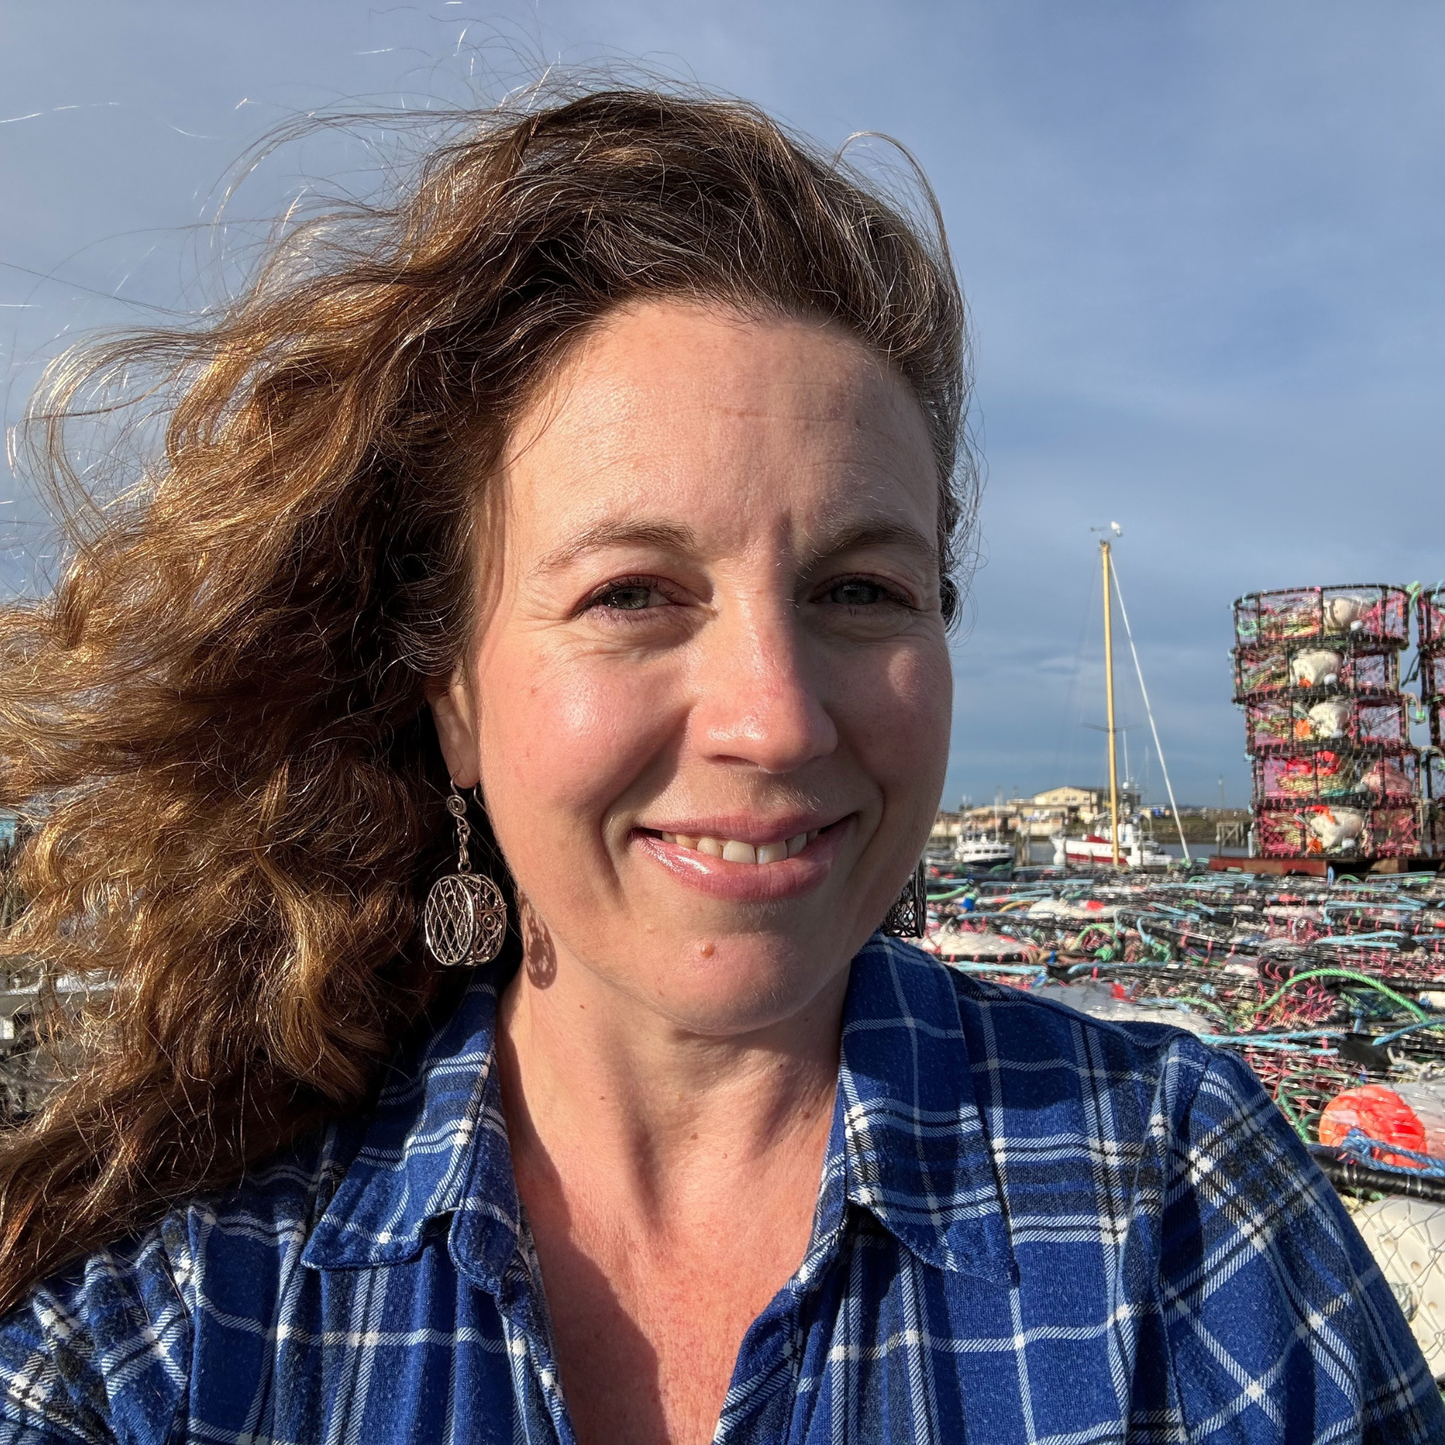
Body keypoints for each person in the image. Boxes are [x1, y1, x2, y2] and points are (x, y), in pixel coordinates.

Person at [0, 86, 1437, 1445]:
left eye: (862, 591)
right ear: (451, 701)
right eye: (633, 593)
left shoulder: (1178, 1204)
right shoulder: (185, 1322)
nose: (778, 719)